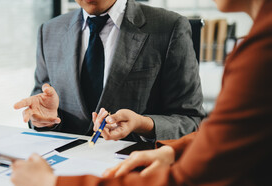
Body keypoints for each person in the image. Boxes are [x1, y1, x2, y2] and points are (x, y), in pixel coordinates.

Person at [11, 0, 272, 186]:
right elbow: (230, 140)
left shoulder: (175, 29)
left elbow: (191, 138)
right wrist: (174, 152)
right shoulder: (50, 31)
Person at [14, 0, 205, 141]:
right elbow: (41, 100)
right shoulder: (49, 30)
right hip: (66, 167)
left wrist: (142, 124)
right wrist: (44, 120)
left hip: (136, 168)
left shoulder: (169, 27)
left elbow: (190, 121)